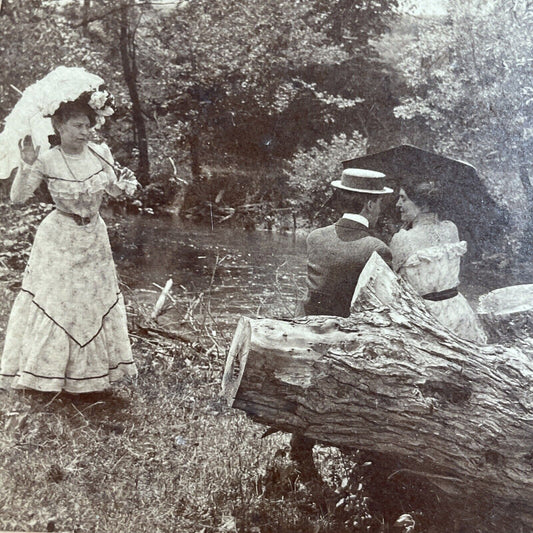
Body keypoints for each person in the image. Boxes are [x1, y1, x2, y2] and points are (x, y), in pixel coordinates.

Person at [0, 93, 139, 393]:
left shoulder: (100, 152)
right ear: (59, 126)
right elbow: (18, 197)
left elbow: (114, 192)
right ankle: (45, 376)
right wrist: (25, 165)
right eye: (77, 126)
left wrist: (126, 184)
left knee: (92, 301)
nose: (84, 132)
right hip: (58, 238)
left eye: (87, 125)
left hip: (94, 239)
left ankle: (91, 378)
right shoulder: (47, 159)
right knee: (57, 302)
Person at [292, 168, 394, 479]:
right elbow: (384, 308)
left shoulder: (316, 238)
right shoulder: (376, 249)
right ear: (370, 205)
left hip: (307, 335)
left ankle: (301, 450)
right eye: (380, 203)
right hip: (347, 344)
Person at [390, 182, 487, 344]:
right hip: (457, 310)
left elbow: (396, 283)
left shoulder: (402, 239)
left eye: (403, 199)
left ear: (423, 204)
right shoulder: (451, 229)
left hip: (425, 317)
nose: (398, 204)